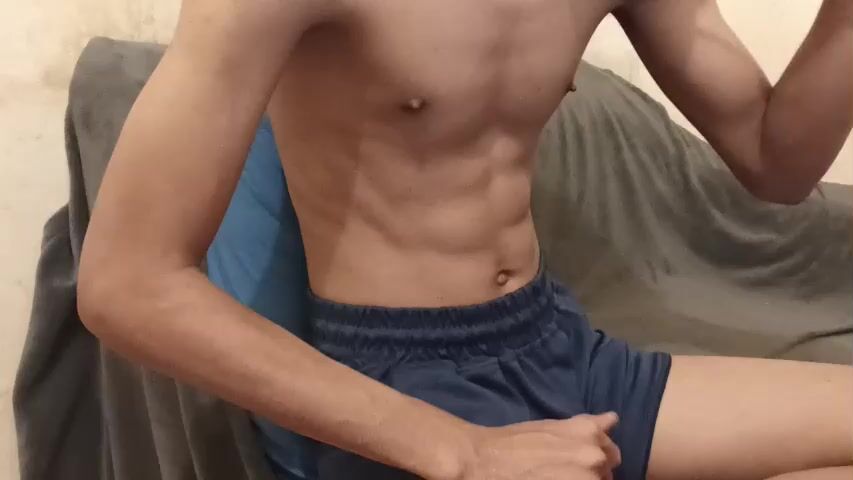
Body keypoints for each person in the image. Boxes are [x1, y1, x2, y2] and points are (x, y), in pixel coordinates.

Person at [77, 0, 853, 478]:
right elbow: (128, 284)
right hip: (399, 387)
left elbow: (775, 163)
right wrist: (462, 451)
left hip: (553, 344)